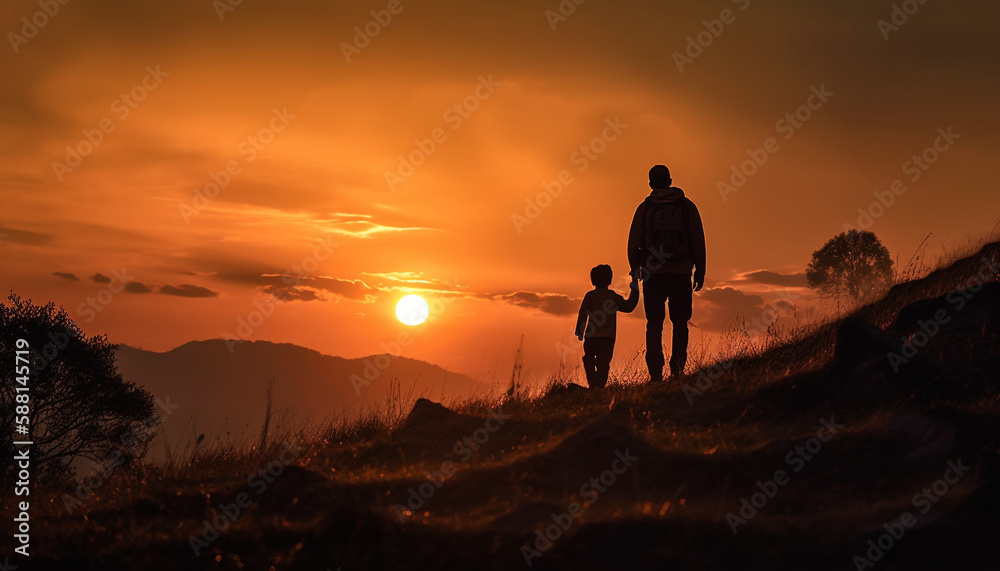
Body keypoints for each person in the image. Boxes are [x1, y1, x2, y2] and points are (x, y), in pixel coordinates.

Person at [627, 165, 706, 383]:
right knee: (680, 323)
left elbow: (634, 242)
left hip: (653, 274)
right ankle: (677, 370)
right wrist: (700, 269)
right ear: (670, 180)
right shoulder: (686, 206)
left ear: (651, 183)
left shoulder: (645, 208)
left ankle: (655, 374)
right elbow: (697, 238)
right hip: (681, 272)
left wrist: (636, 269)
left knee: (654, 323)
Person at [575, 264, 639, 389]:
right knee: (603, 364)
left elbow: (582, 313)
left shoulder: (590, 296)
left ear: (592, 280)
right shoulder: (612, 297)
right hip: (607, 338)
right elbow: (629, 306)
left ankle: (594, 386)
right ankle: (597, 387)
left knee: (589, 359)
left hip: (591, 337)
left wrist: (579, 331)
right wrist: (634, 288)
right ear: (610, 280)